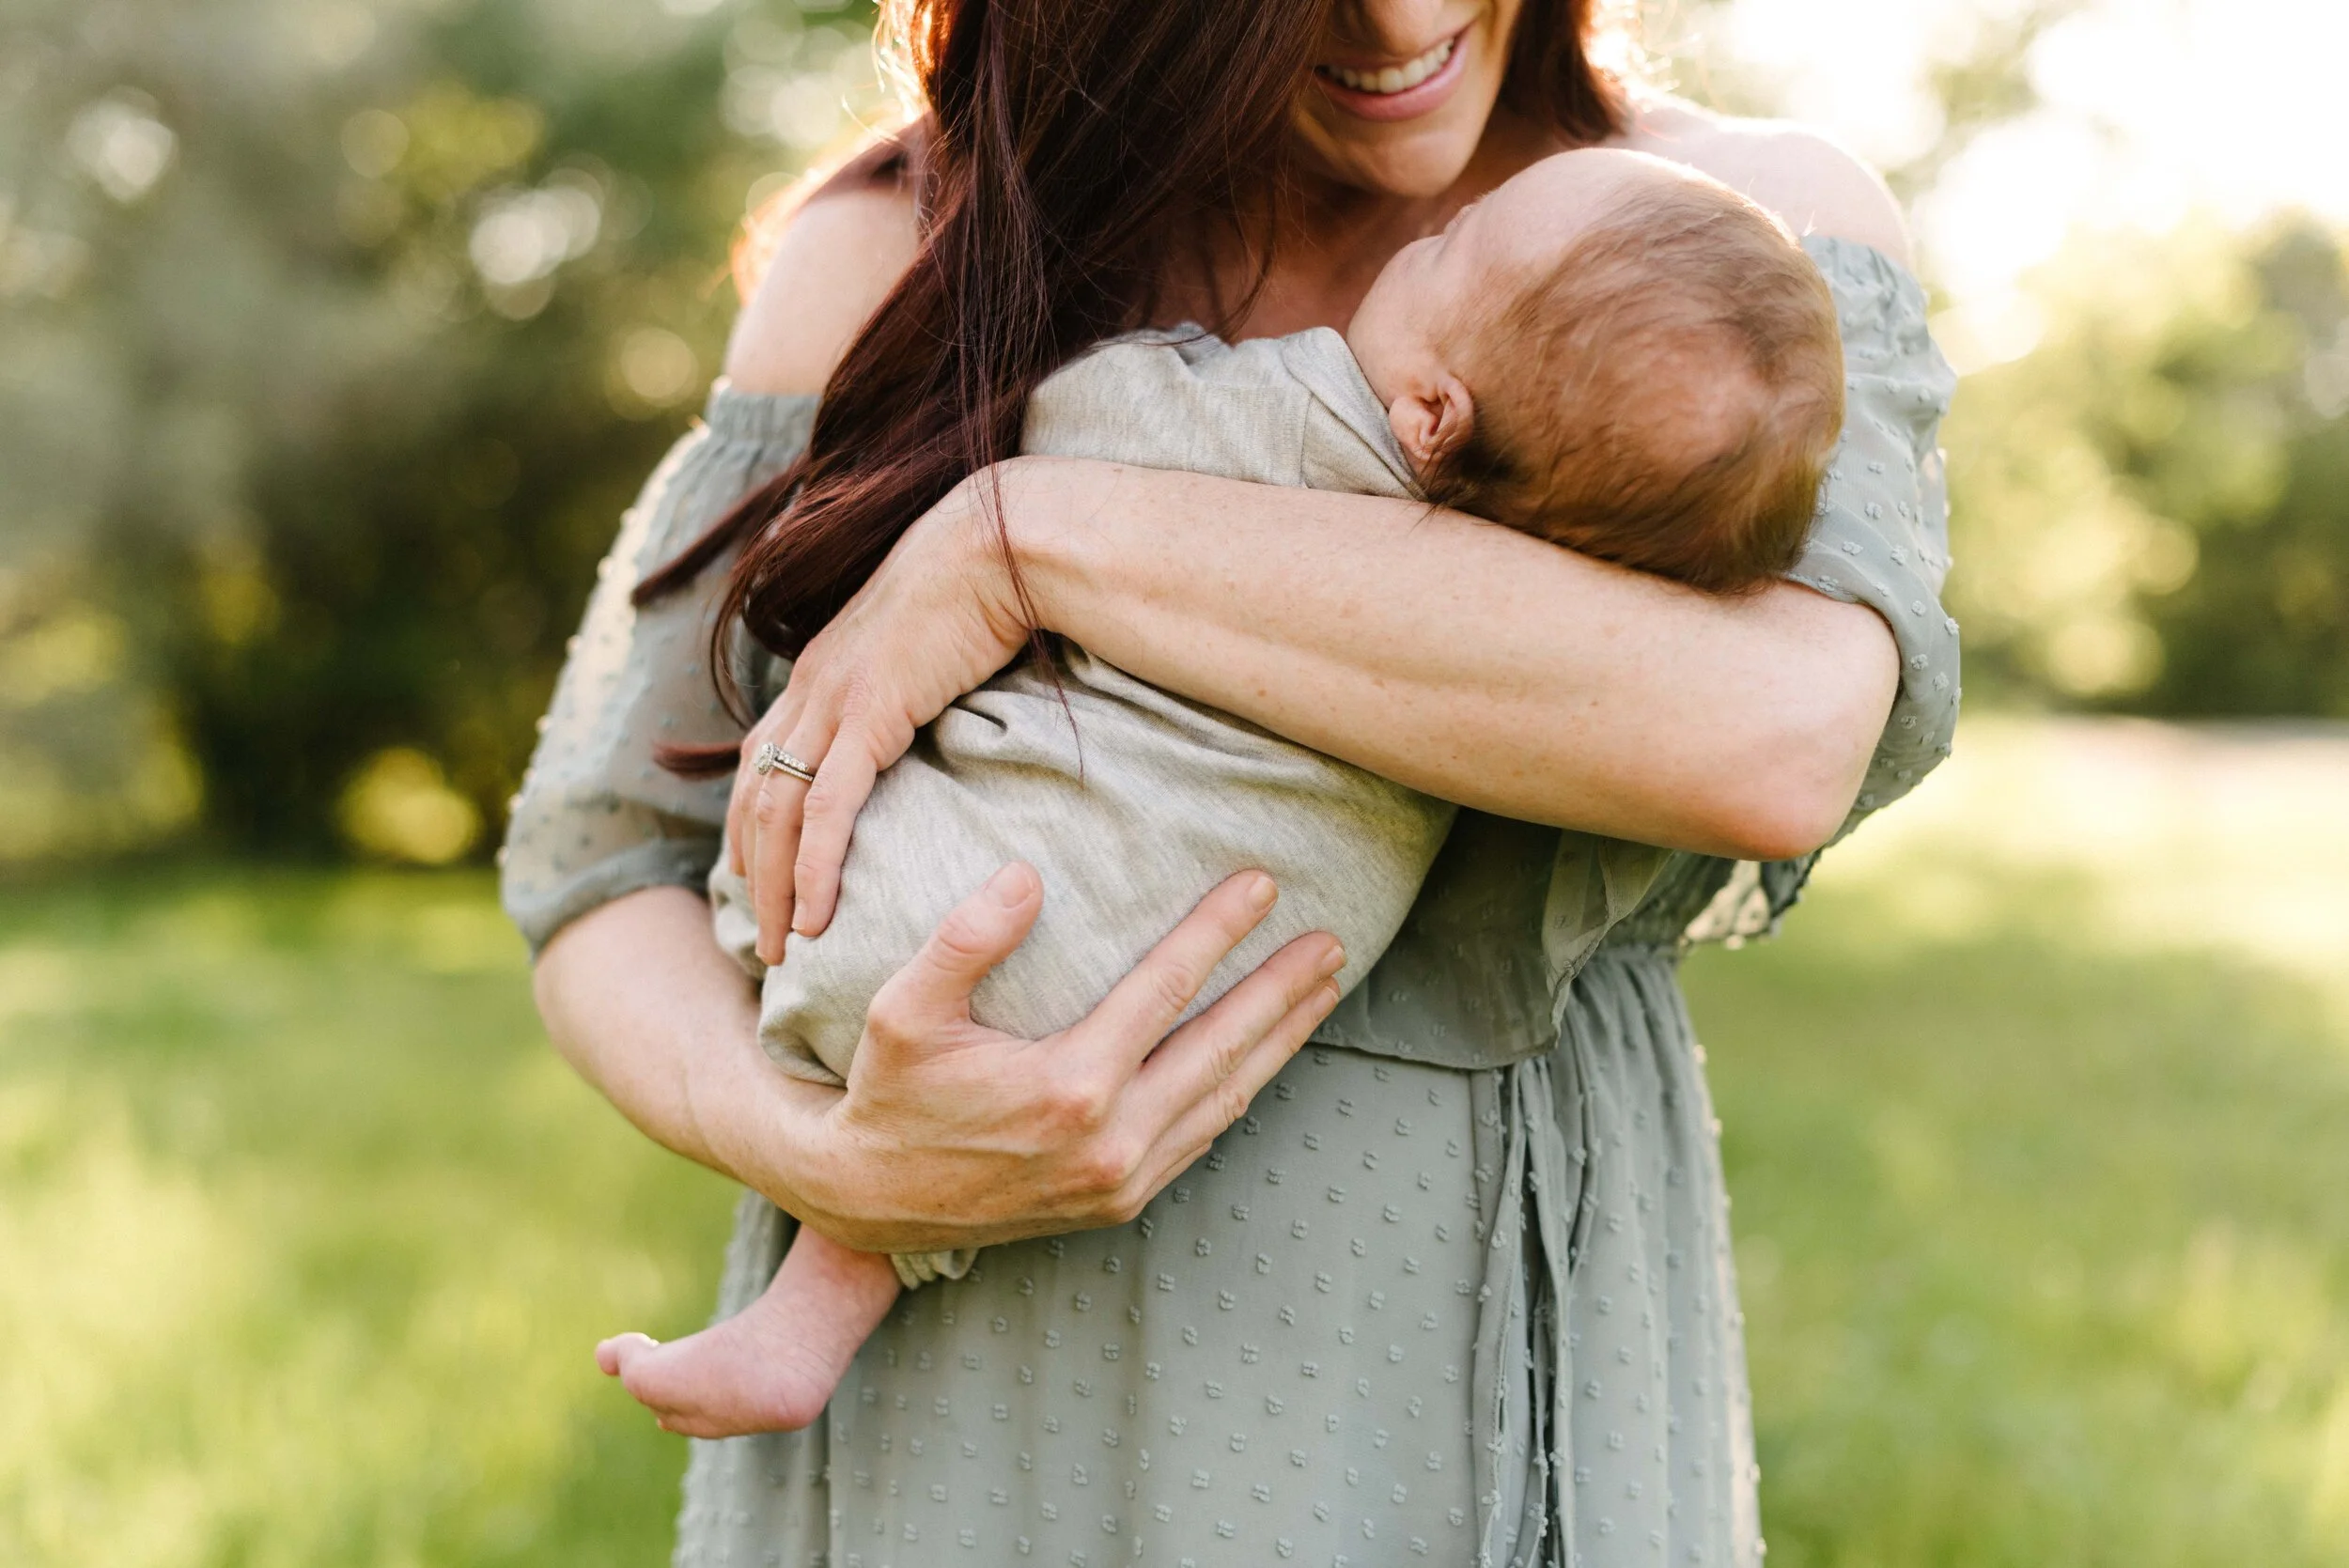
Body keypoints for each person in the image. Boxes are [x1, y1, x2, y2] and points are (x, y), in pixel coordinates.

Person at [500, 0, 1958, 1561]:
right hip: (978, 1377)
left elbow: (1775, 739)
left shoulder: (1738, 249)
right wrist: (836, 1161)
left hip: (1475, 1356)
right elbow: (605, 870)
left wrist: (1025, 539)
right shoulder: (911, 250)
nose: (1402, 18)